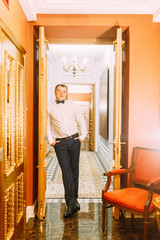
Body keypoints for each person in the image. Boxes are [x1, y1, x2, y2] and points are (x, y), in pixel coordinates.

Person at [47, 84, 88, 218]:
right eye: (59, 91)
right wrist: (51, 140)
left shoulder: (72, 105)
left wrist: (82, 137)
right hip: (60, 143)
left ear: (66, 93)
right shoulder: (49, 106)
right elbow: (47, 125)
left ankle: (74, 201)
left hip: (74, 140)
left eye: (64, 91)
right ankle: (70, 204)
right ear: (55, 92)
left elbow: (81, 121)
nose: (61, 93)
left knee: (74, 170)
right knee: (66, 171)